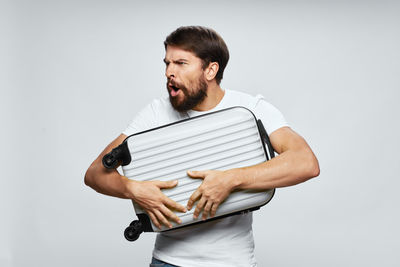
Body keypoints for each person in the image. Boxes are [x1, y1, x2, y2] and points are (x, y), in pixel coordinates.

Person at [84, 26, 320, 267]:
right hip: (167, 261)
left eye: (181, 63)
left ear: (211, 70)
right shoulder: (155, 112)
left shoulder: (252, 108)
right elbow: (94, 174)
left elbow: (305, 163)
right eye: (167, 63)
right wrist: (133, 189)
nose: (169, 72)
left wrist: (231, 179)